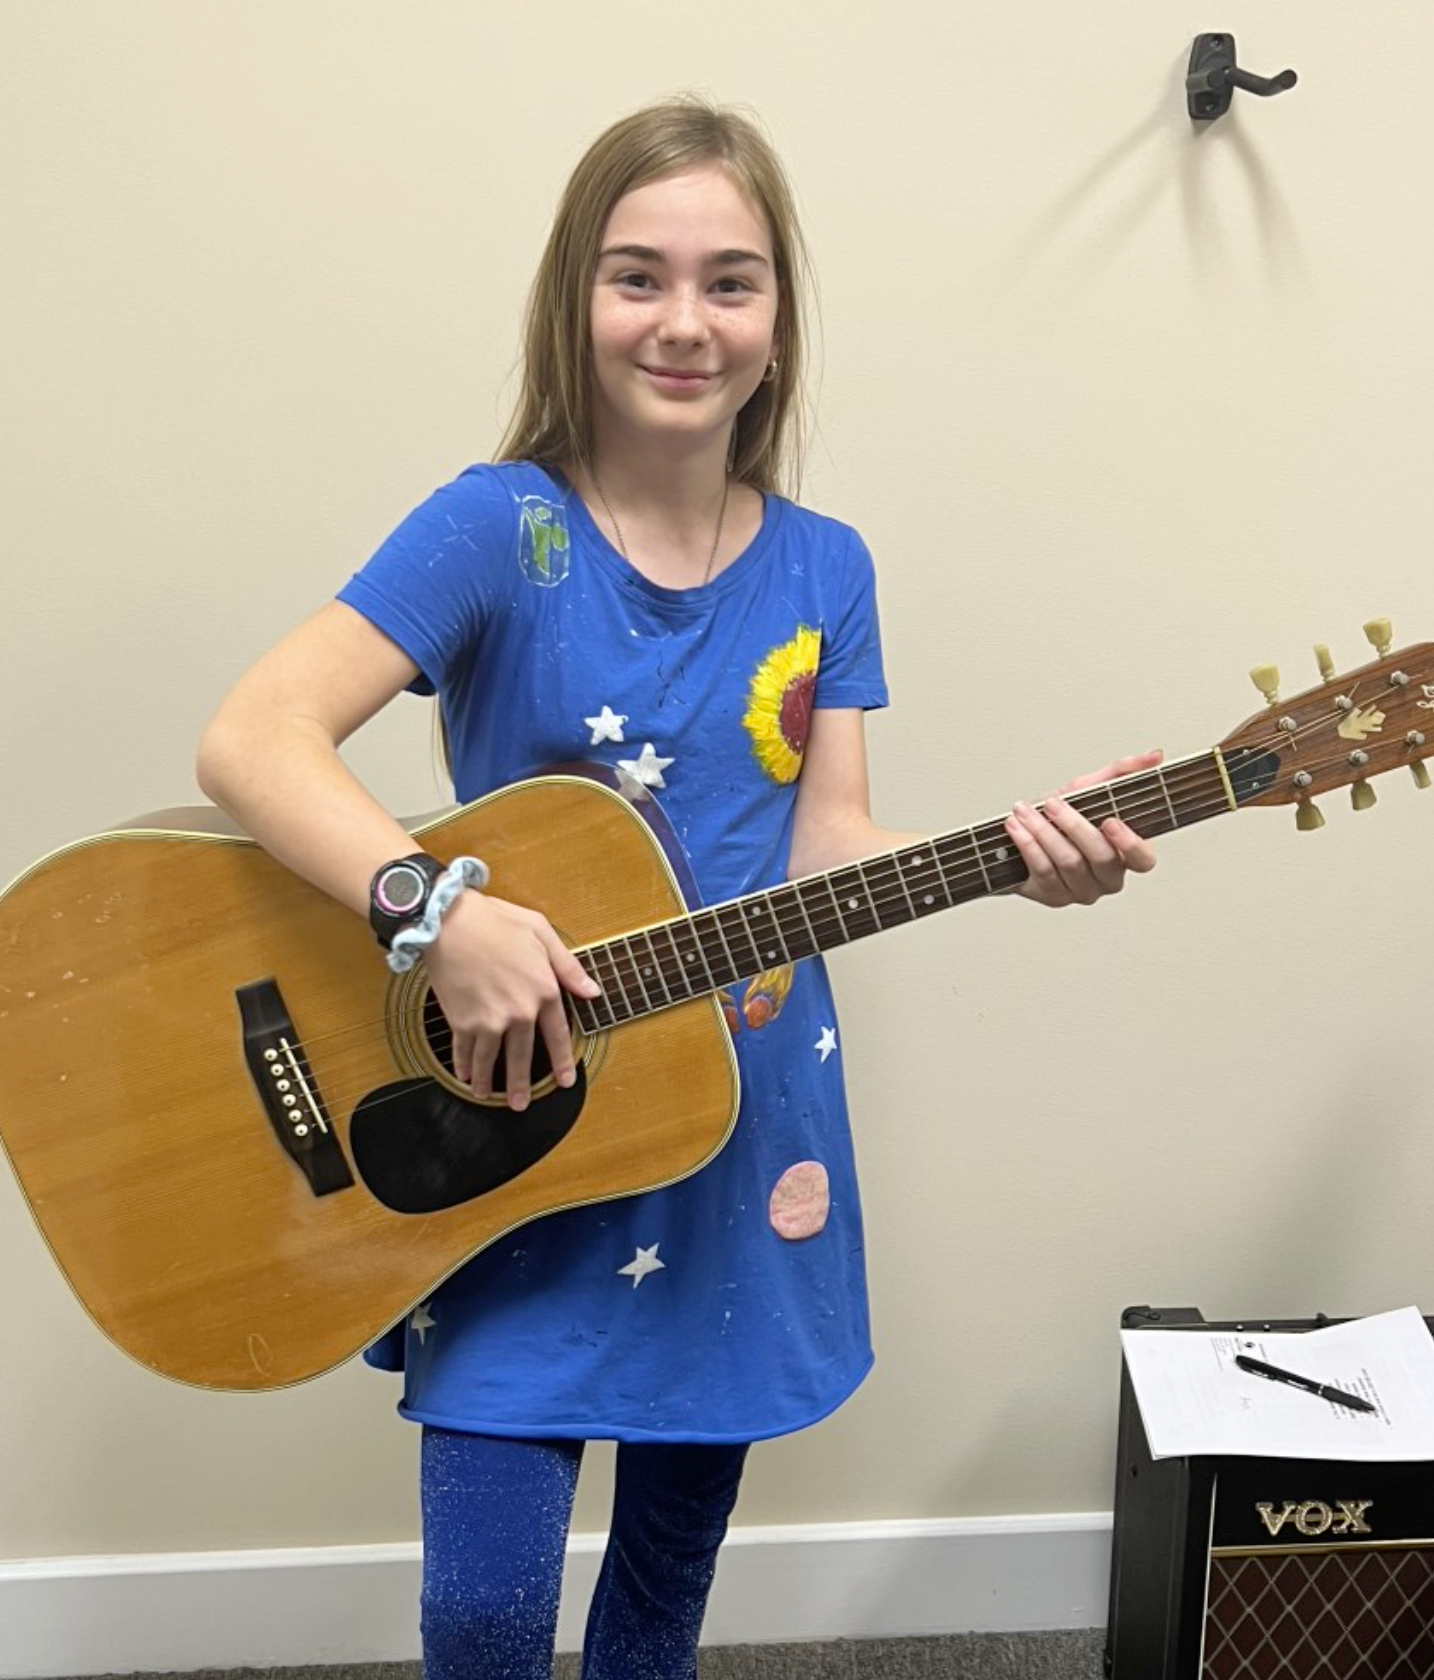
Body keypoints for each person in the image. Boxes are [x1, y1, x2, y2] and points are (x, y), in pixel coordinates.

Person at [196, 97, 1158, 1680]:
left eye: (731, 281)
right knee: (486, 1614)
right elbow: (252, 736)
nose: (684, 321)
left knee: (659, 1598)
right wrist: (432, 916)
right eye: (638, 276)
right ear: (573, 300)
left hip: (733, 1117)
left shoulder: (827, 564)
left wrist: (1010, 868)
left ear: (778, 322)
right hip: (511, 1117)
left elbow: (827, 841)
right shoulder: (498, 528)